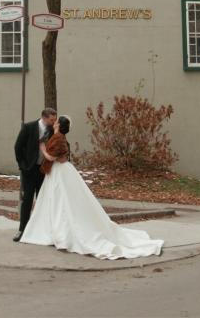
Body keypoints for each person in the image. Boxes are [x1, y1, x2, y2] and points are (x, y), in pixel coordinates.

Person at [20, 115, 164, 260]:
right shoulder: (59, 136)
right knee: (61, 201)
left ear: (59, 125)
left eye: (56, 122)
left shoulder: (58, 138)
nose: (54, 123)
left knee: (60, 201)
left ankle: (59, 232)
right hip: (60, 171)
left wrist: (43, 149)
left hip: (59, 172)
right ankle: (55, 231)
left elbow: (52, 157)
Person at [13, 107, 57, 242]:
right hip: (29, 170)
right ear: (44, 117)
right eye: (51, 119)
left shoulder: (52, 130)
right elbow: (18, 147)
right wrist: (23, 166)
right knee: (27, 200)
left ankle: (40, 230)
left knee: (42, 200)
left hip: (43, 170)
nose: (53, 121)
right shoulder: (28, 127)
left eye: (54, 119)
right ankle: (22, 229)